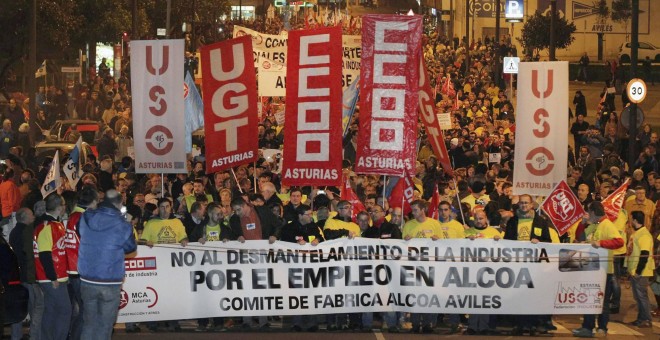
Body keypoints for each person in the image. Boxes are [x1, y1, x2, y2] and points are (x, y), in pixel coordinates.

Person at [77, 189, 136, 339]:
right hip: (110, 280)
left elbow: (80, 232)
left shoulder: (86, 217)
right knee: (105, 326)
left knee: (89, 323)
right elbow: (130, 248)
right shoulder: (123, 223)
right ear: (119, 203)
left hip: (87, 279)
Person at [229, 197, 283, 329]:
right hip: (245, 257)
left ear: (244, 205)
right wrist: (237, 237)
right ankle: (247, 320)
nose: (237, 213)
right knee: (246, 288)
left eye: (238, 210)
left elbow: (278, 224)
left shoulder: (263, 211)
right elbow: (231, 233)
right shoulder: (234, 219)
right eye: (235, 211)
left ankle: (263, 320)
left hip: (264, 255)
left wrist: (275, 235)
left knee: (262, 288)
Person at [572, 202, 624, 338]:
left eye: (588, 212)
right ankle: (587, 328)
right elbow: (579, 238)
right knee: (589, 300)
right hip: (591, 269)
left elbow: (619, 242)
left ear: (593, 212)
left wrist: (601, 243)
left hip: (604, 271)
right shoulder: (594, 225)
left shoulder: (607, 224)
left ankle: (602, 328)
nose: (587, 215)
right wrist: (582, 224)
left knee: (603, 301)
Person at [402, 200, 444, 333]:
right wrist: (406, 240)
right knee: (415, 295)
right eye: (412, 210)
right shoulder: (408, 225)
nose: (413, 212)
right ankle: (415, 324)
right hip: (414, 267)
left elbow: (443, 244)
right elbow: (403, 246)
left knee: (429, 295)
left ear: (423, 210)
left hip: (430, 266)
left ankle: (428, 324)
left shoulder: (434, 224)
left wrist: (437, 240)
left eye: (415, 210)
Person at [33, 193, 71, 340]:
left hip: (54, 276)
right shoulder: (47, 226)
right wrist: (52, 277)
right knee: (65, 310)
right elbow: (44, 254)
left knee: (51, 311)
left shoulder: (53, 224)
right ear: (59, 207)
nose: (65, 207)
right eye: (63, 204)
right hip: (53, 278)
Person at [64, 186, 98, 340]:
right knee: (87, 311)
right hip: (81, 270)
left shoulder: (73, 216)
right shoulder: (83, 218)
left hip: (72, 269)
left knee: (80, 310)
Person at [8, 207, 42, 340]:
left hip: (18, 275)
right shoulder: (26, 232)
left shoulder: (13, 232)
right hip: (28, 276)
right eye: (31, 215)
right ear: (25, 218)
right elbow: (28, 255)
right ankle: (35, 335)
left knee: (19, 310)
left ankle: (16, 336)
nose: (33, 216)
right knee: (36, 307)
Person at [626, 211, 654, 328]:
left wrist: (638, 271)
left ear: (635, 220)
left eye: (631, 219)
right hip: (635, 271)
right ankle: (641, 318)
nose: (630, 222)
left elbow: (644, 254)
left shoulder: (644, 235)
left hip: (641, 272)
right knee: (638, 297)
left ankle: (646, 319)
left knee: (642, 296)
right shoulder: (636, 233)